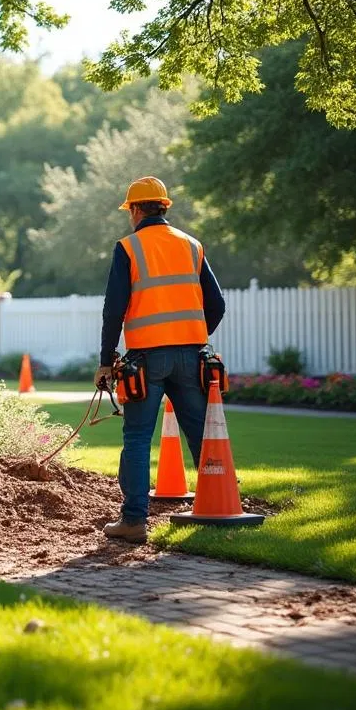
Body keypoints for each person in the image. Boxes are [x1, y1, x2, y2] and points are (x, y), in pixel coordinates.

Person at [95, 177, 226, 543]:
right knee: (203, 435)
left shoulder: (129, 248)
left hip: (146, 360)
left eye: (130, 211)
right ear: (164, 207)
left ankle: (134, 522)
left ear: (136, 210)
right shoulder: (192, 245)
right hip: (192, 356)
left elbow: (114, 309)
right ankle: (217, 507)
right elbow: (217, 305)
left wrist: (106, 361)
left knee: (137, 438)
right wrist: (194, 333)